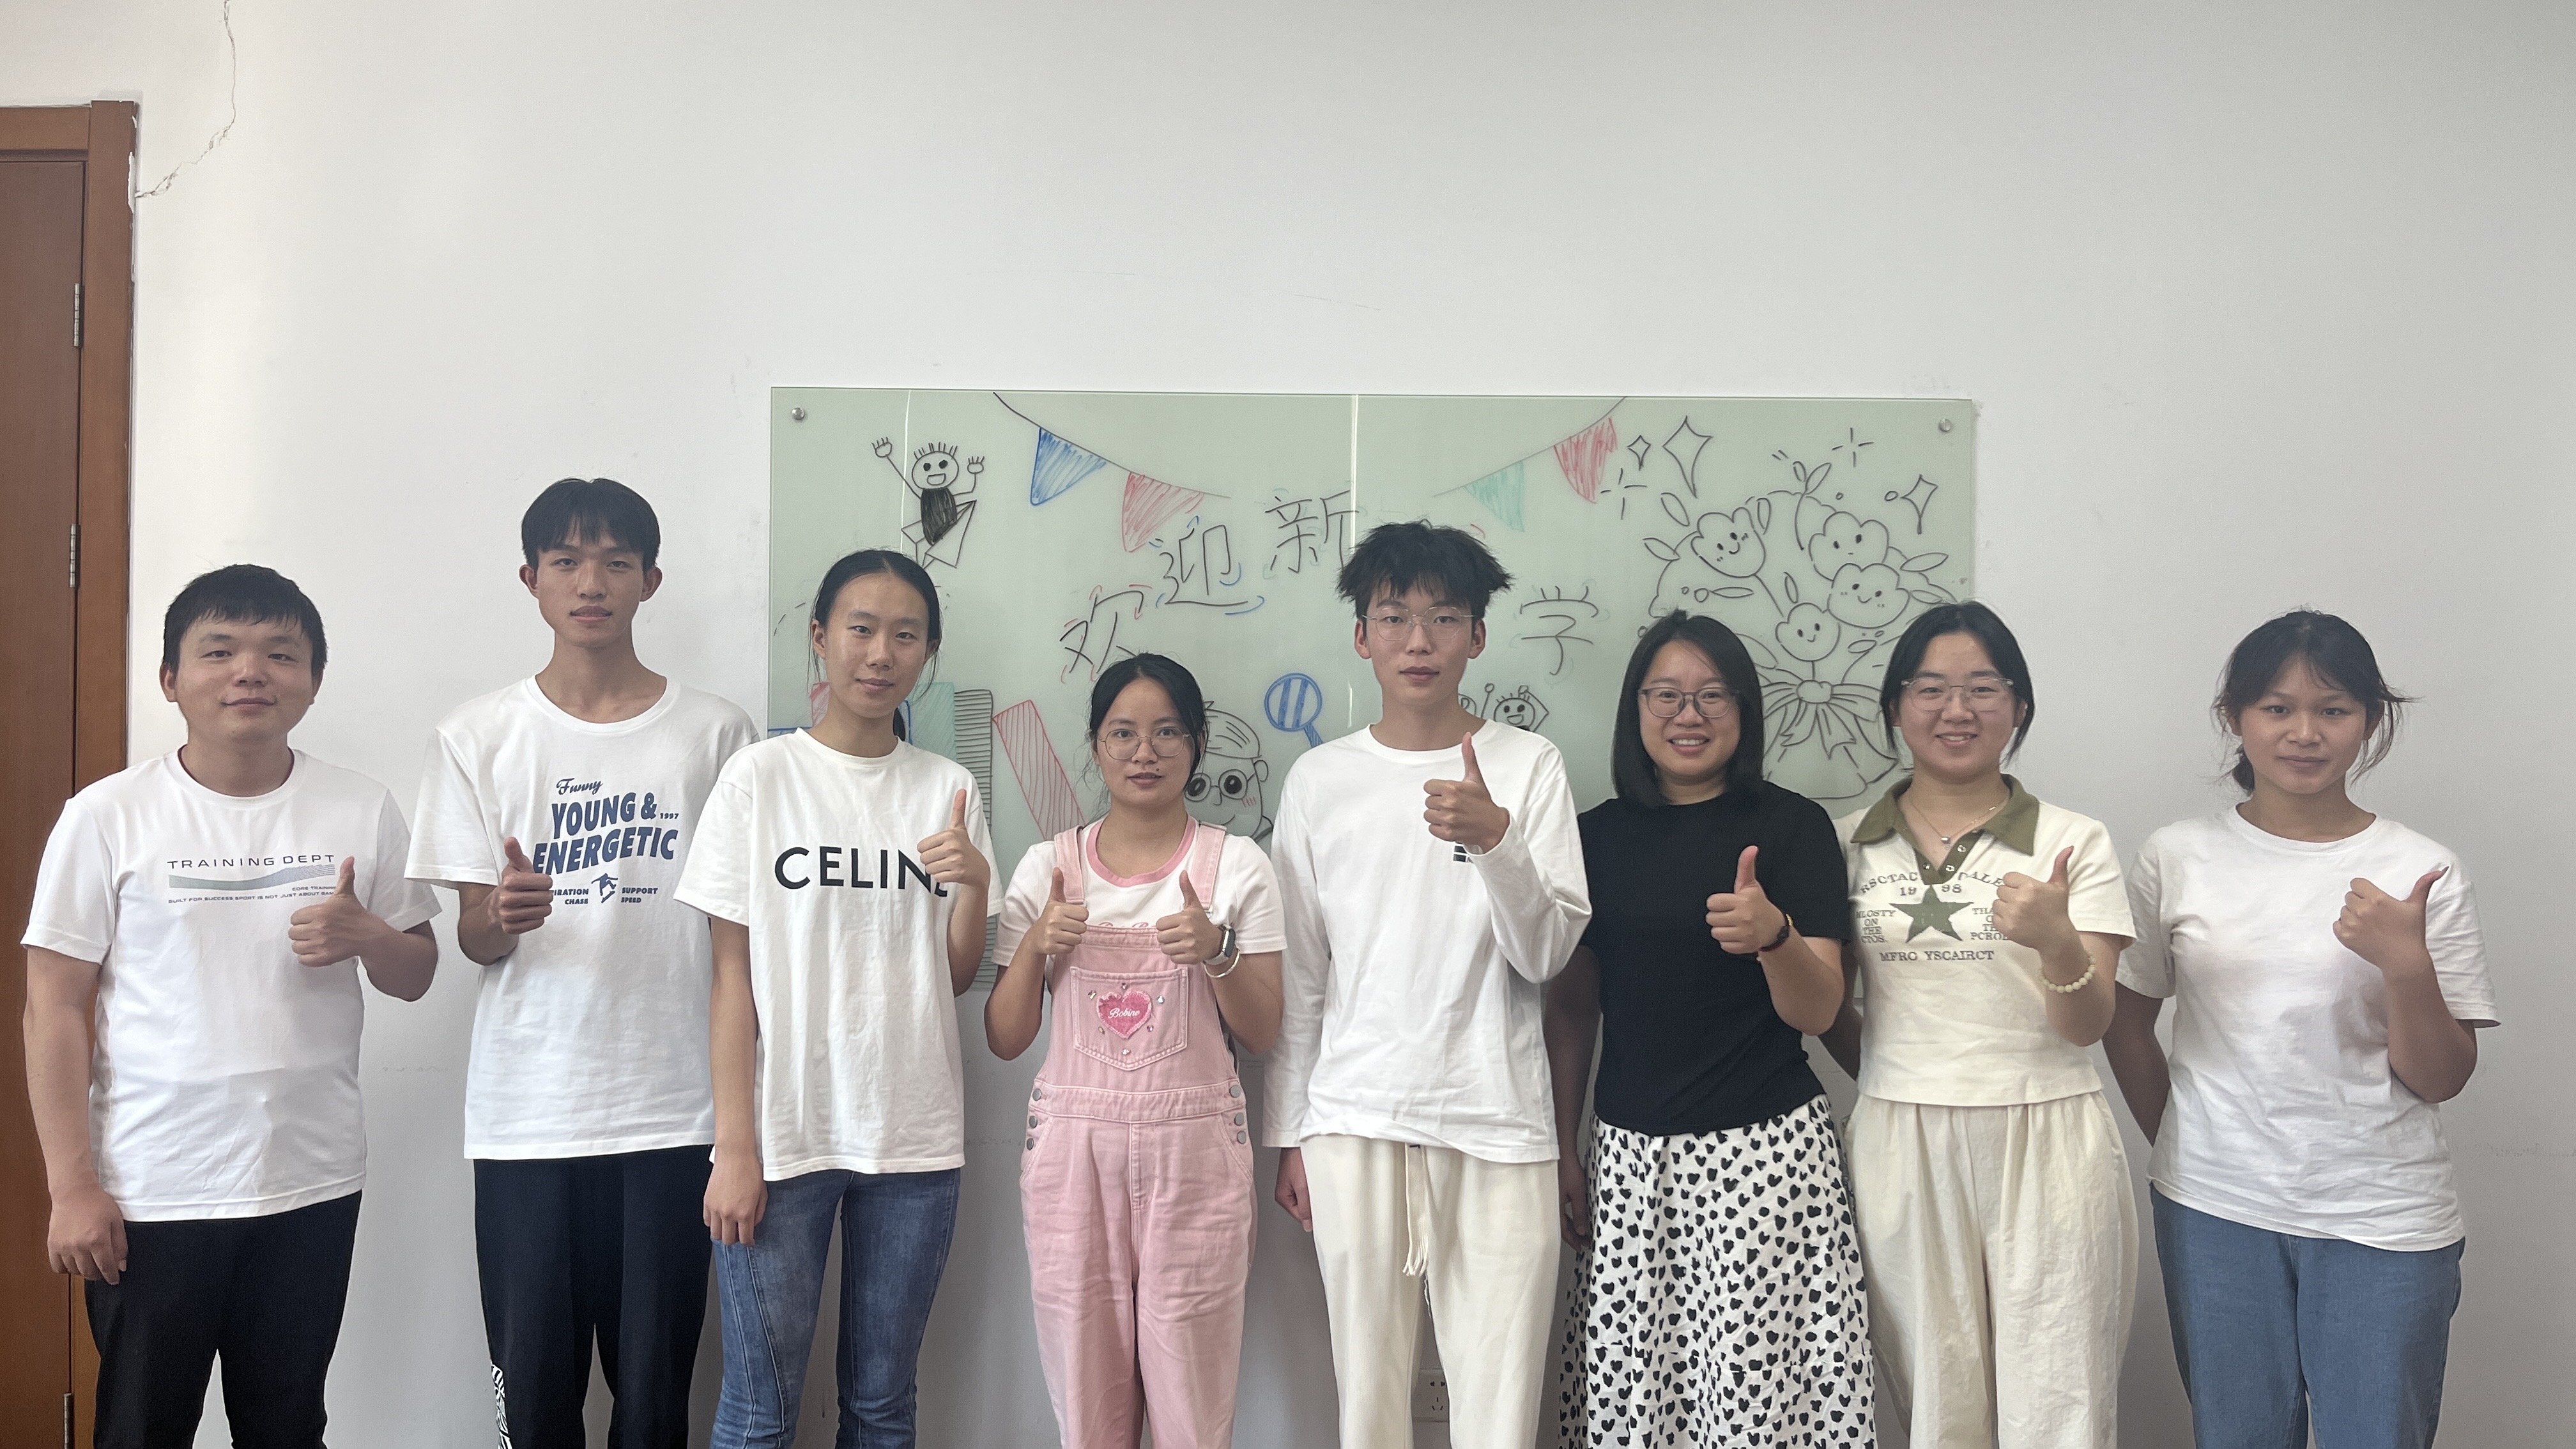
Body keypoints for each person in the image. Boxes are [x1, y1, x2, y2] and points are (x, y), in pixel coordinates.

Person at [22, 565, 440, 1449]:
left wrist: (368, 935)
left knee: (287, 1426)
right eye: (220, 651)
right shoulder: (107, 816)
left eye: (280, 653)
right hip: (151, 1189)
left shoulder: (360, 806)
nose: (251, 671)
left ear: (313, 681)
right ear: (171, 679)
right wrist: (71, 1185)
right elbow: (52, 1006)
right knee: (141, 1428)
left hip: (311, 1180)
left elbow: (415, 975)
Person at [406, 479, 758, 1446]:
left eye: (614, 562)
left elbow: (737, 937)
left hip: (674, 1112)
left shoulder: (717, 734)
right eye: (565, 561)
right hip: (529, 1118)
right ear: (531, 579)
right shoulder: (477, 735)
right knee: (535, 1401)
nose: (590, 582)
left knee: (655, 1402)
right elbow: (472, 937)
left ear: (651, 580)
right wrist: (500, 915)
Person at [2103, 611, 2496, 1449]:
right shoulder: (2177, 855)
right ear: (2234, 716)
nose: (2305, 733)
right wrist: (2183, 1140)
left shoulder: (2420, 870)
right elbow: (2126, 1022)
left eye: (2334, 709)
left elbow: (2442, 1077)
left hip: (2381, 1211)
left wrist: (2406, 965)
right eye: (2277, 708)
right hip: (2213, 1209)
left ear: (2370, 720)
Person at [1264, 520, 1591, 1449]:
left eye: (1444, 618)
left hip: (1499, 1125)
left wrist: (1497, 844)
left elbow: (1547, 955)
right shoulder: (1321, 780)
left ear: (1477, 636)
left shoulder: (1529, 766)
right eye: (1395, 617)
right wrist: (1292, 1134)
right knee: (1367, 1404)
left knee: (1500, 1406)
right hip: (1355, 1121)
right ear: (1361, 636)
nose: (1419, 640)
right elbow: (1303, 974)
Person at [676, 548, 992, 1448]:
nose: (881, 654)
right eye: (861, 628)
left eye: (906, 635)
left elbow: (954, 975)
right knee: (759, 1412)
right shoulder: (760, 778)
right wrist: (735, 1148)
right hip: (785, 1139)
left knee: (883, 1409)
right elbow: (729, 977)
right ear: (820, 638)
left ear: (928, 651)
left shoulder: (948, 787)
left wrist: (974, 885)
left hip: (914, 1140)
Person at [1545, 611, 1873, 1448]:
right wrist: (1565, 1147)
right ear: (1636, 708)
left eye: (1712, 695)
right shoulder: (1592, 838)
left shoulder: (1793, 828)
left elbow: (1820, 1010)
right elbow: (1574, 1007)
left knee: (1761, 1403)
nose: (1688, 715)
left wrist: (1774, 936)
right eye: (1666, 695)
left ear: (1744, 709)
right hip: (1630, 1158)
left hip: (1764, 1158)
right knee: (1638, 1403)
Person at [1820, 601, 2135, 1449]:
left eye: (1983, 689)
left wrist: (2057, 940)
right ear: (1896, 706)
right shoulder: (1846, 843)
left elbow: (2090, 1024)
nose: (1956, 711)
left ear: (2018, 706)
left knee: (2059, 1396)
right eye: (1930, 689)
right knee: (1936, 1399)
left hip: (2048, 1131)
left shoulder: (2073, 841)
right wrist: (1895, 1070)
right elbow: (1829, 1006)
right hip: (1901, 1136)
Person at [986, 653, 1287, 1449]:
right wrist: (1034, 946)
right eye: (1123, 733)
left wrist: (1219, 952)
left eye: (1167, 733)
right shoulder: (1049, 868)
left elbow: (1264, 1030)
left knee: (1193, 1403)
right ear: (1096, 744)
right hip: (1072, 1160)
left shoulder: (1238, 865)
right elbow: (1006, 1038)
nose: (1144, 752)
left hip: (1197, 1158)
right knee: (1088, 1405)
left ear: (1197, 744)